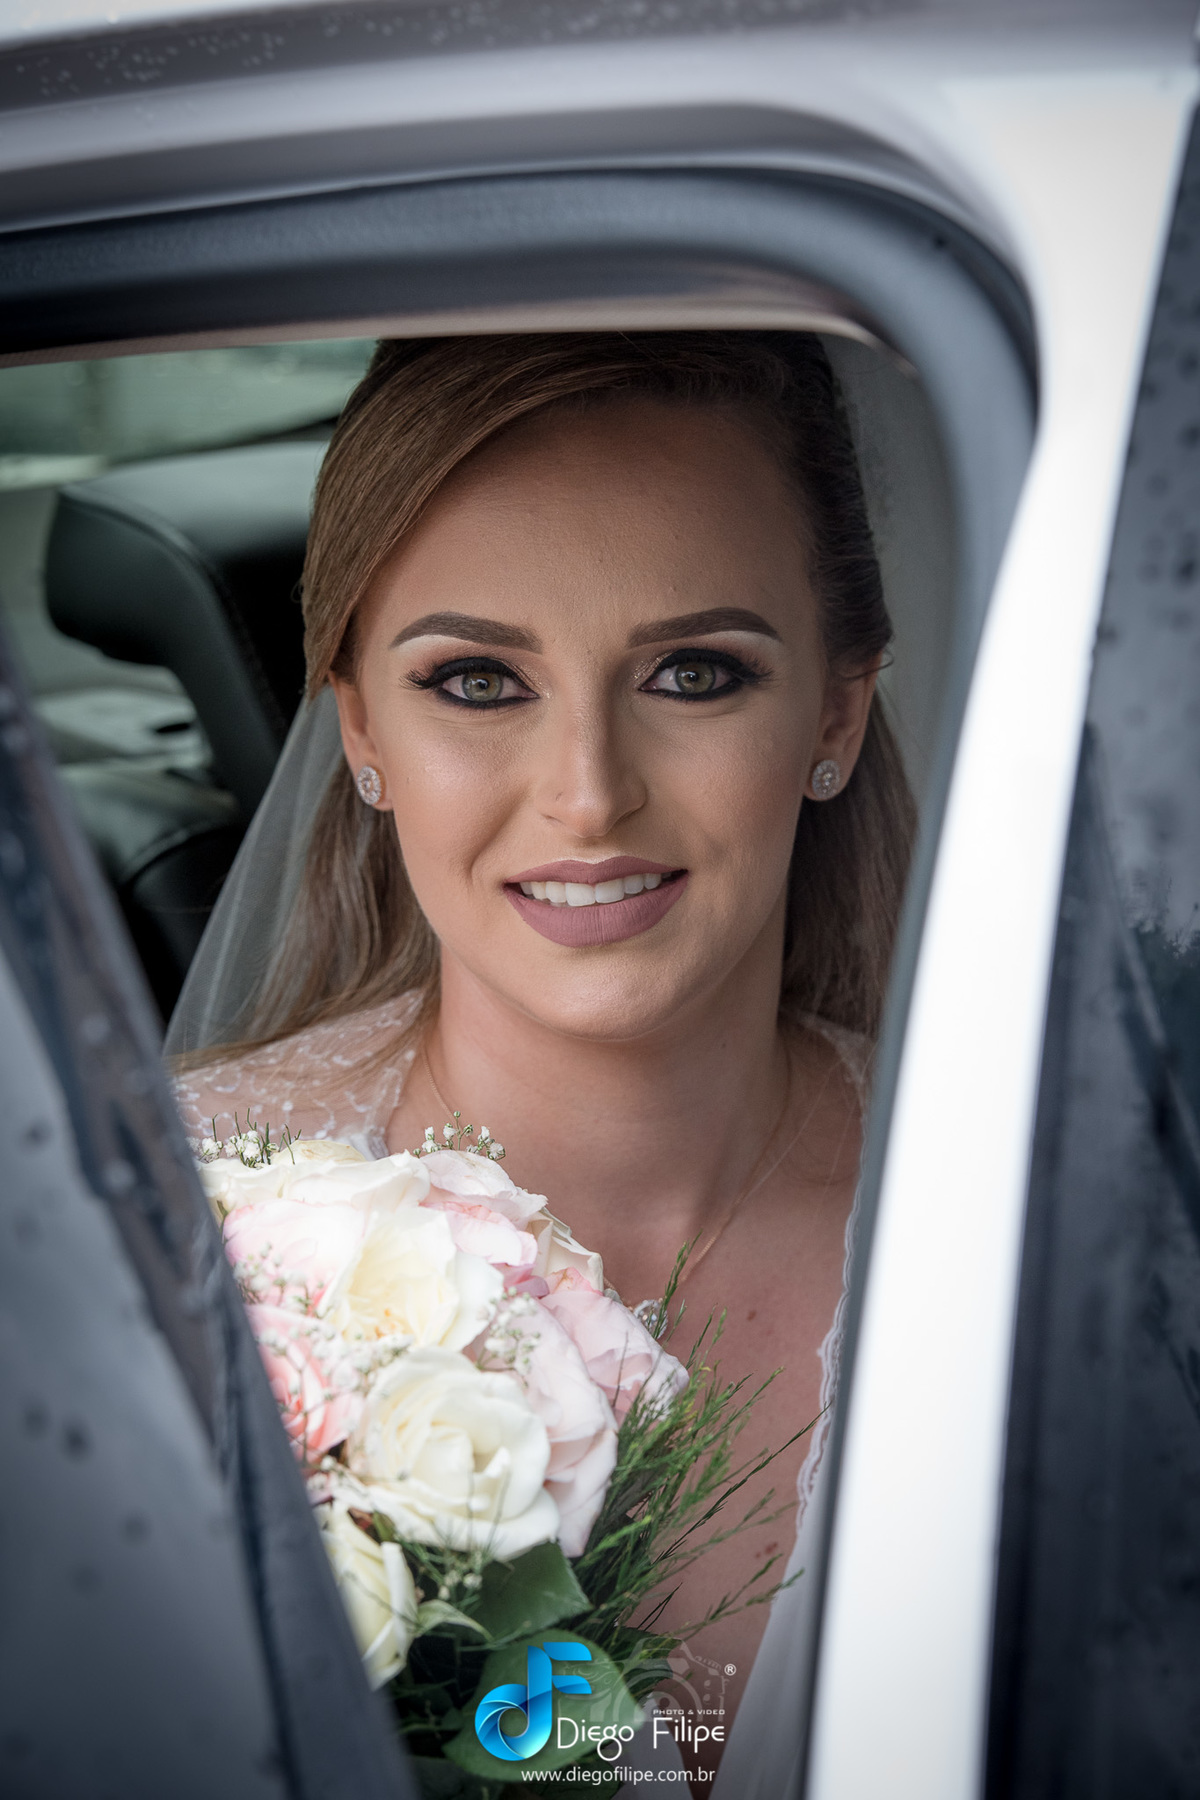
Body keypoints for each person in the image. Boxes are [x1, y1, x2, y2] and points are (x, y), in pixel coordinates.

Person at [171, 332, 914, 1795]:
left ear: (836, 712)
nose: (588, 793)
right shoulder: (173, 1220)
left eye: (694, 673)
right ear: (362, 727)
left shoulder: (1054, 1196)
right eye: (476, 680)